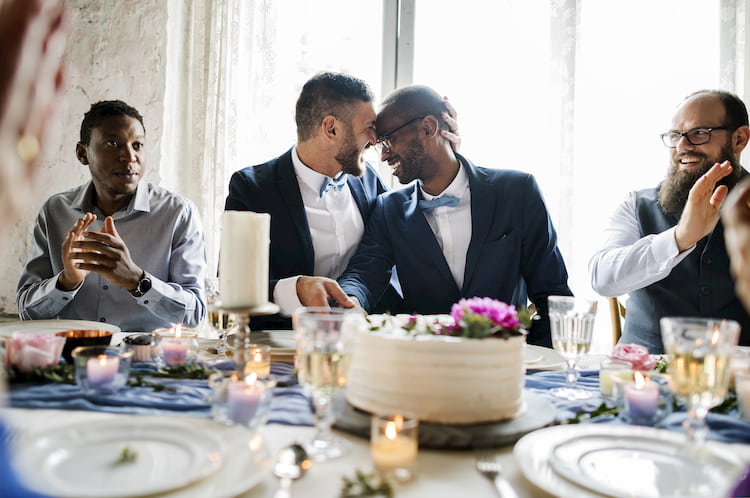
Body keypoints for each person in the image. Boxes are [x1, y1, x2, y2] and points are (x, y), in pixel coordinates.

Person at [303, 85, 572, 347]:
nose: (383, 155)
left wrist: (535, 361)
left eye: (388, 140)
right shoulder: (389, 209)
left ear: (429, 127)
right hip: (425, 365)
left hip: (503, 364)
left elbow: (553, 293)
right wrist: (349, 301)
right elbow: (365, 273)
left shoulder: (517, 191)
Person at [224, 72, 458, 327]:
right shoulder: (253, 188)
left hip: (368, 340)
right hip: (287, 344)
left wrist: (442, 154)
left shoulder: (370, 183)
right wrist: (296, 289)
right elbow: (232, 286)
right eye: (369, 129)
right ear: (331, 128)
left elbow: (414, 230)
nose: (375, 140)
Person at [17, 100, 207, 332]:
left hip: (148, 362)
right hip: (74, 360)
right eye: (112, 143)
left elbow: (195, 312)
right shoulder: (55, 211)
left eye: (137, 145)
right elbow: (27, 311)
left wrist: (137, 281)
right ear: (82, 153)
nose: (129, 156)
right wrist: (67, 282)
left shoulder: (178, 213)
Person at [589, 89, 750, 353]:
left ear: (739, 139)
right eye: (675, 136)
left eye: (699, 134)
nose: (682, 147)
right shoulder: (636, 204)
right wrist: (679, 239)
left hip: (740, 380)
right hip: (643, 379)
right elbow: (602, 278)